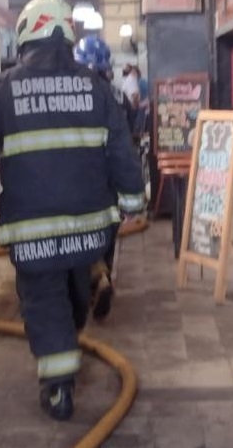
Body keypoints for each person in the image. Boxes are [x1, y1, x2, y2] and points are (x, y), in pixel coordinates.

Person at [0, 0, 146, 422]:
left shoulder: (1, 92)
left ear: (26, 37)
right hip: (89, 229)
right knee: (77, 282)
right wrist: (134, 202)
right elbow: (122, 153)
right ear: (68, 37)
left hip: (30, 233)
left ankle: (59, 387)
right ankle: (82, 306)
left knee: (43, 298)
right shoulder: (99, 90)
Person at [73, 34, 129, 320]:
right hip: (112, 184)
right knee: (108, 234)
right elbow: (129, 139)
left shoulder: (72, 97)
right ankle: (103, 275)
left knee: (82, 238)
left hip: (82, 181)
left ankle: (94, 284)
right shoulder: (117, 95)